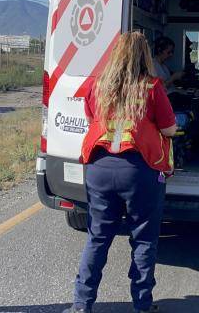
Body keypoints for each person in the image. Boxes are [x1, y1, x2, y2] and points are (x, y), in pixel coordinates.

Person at [65, 32, 177, 313]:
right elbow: (169, 129)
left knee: (98, 237)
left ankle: (81, 303)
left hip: (99, 168)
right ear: (145, 57)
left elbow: (93, 120)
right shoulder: (151, 87)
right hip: (139, 171)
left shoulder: (97, 85)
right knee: (143, 239)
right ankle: (142, 304)